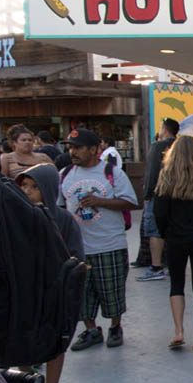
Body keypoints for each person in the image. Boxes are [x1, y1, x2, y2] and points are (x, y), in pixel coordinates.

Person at [15, 164, 85, 383]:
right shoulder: (13, 217)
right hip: (23, 293)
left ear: (48, 188)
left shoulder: (64, 219)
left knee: (55, 344)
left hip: (54, 293)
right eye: (24, 186)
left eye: (34, 187)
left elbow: (76, 256)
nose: (28, 191)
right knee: (23, 340)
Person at [58, 129, 137, 351]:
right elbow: (60, 207)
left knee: (111, 291)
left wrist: (100, 201)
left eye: (78, 147)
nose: (72, 151)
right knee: (82, 295)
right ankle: (91, 330)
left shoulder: (112, 173)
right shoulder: (64, 174)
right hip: (78, 247)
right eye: (70, 147)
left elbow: (130, 201)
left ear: (93, 149)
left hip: (109, 243)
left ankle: (115, 327)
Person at [152, 136, 193, 355]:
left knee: (176, 284)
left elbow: (159, 213)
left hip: (175, 237)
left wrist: (166, 233)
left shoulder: (166, 178)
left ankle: (179, 331)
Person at [138, 118, 179, 281]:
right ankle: (170, 264)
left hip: (158, 194)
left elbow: (152, 172)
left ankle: (156, 267)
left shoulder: (158, 146)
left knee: (155, 230)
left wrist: (147, 194)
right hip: (176, 195)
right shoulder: (180, 146)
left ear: (164, 129)